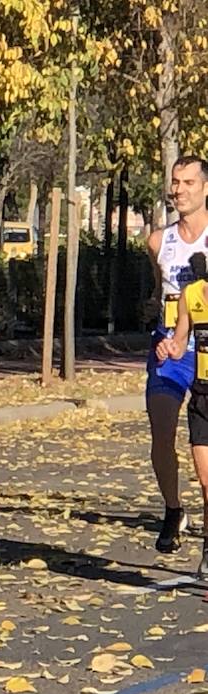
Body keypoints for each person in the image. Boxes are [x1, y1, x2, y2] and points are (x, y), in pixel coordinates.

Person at [145, 155, 208, 553]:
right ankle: (173, 508)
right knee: (161, 429)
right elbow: (162, 290)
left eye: (187, 182)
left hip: (205, 349)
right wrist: (164, 328)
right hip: (170, 348)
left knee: (203, 449)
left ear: (205, 188)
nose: (179, 190)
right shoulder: (157, 240)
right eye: (174, 182)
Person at [159, 252, 208, 577]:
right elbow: (179, 341)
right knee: (207, 484)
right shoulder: (191, 294)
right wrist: (169, 349)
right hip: (203, 397)